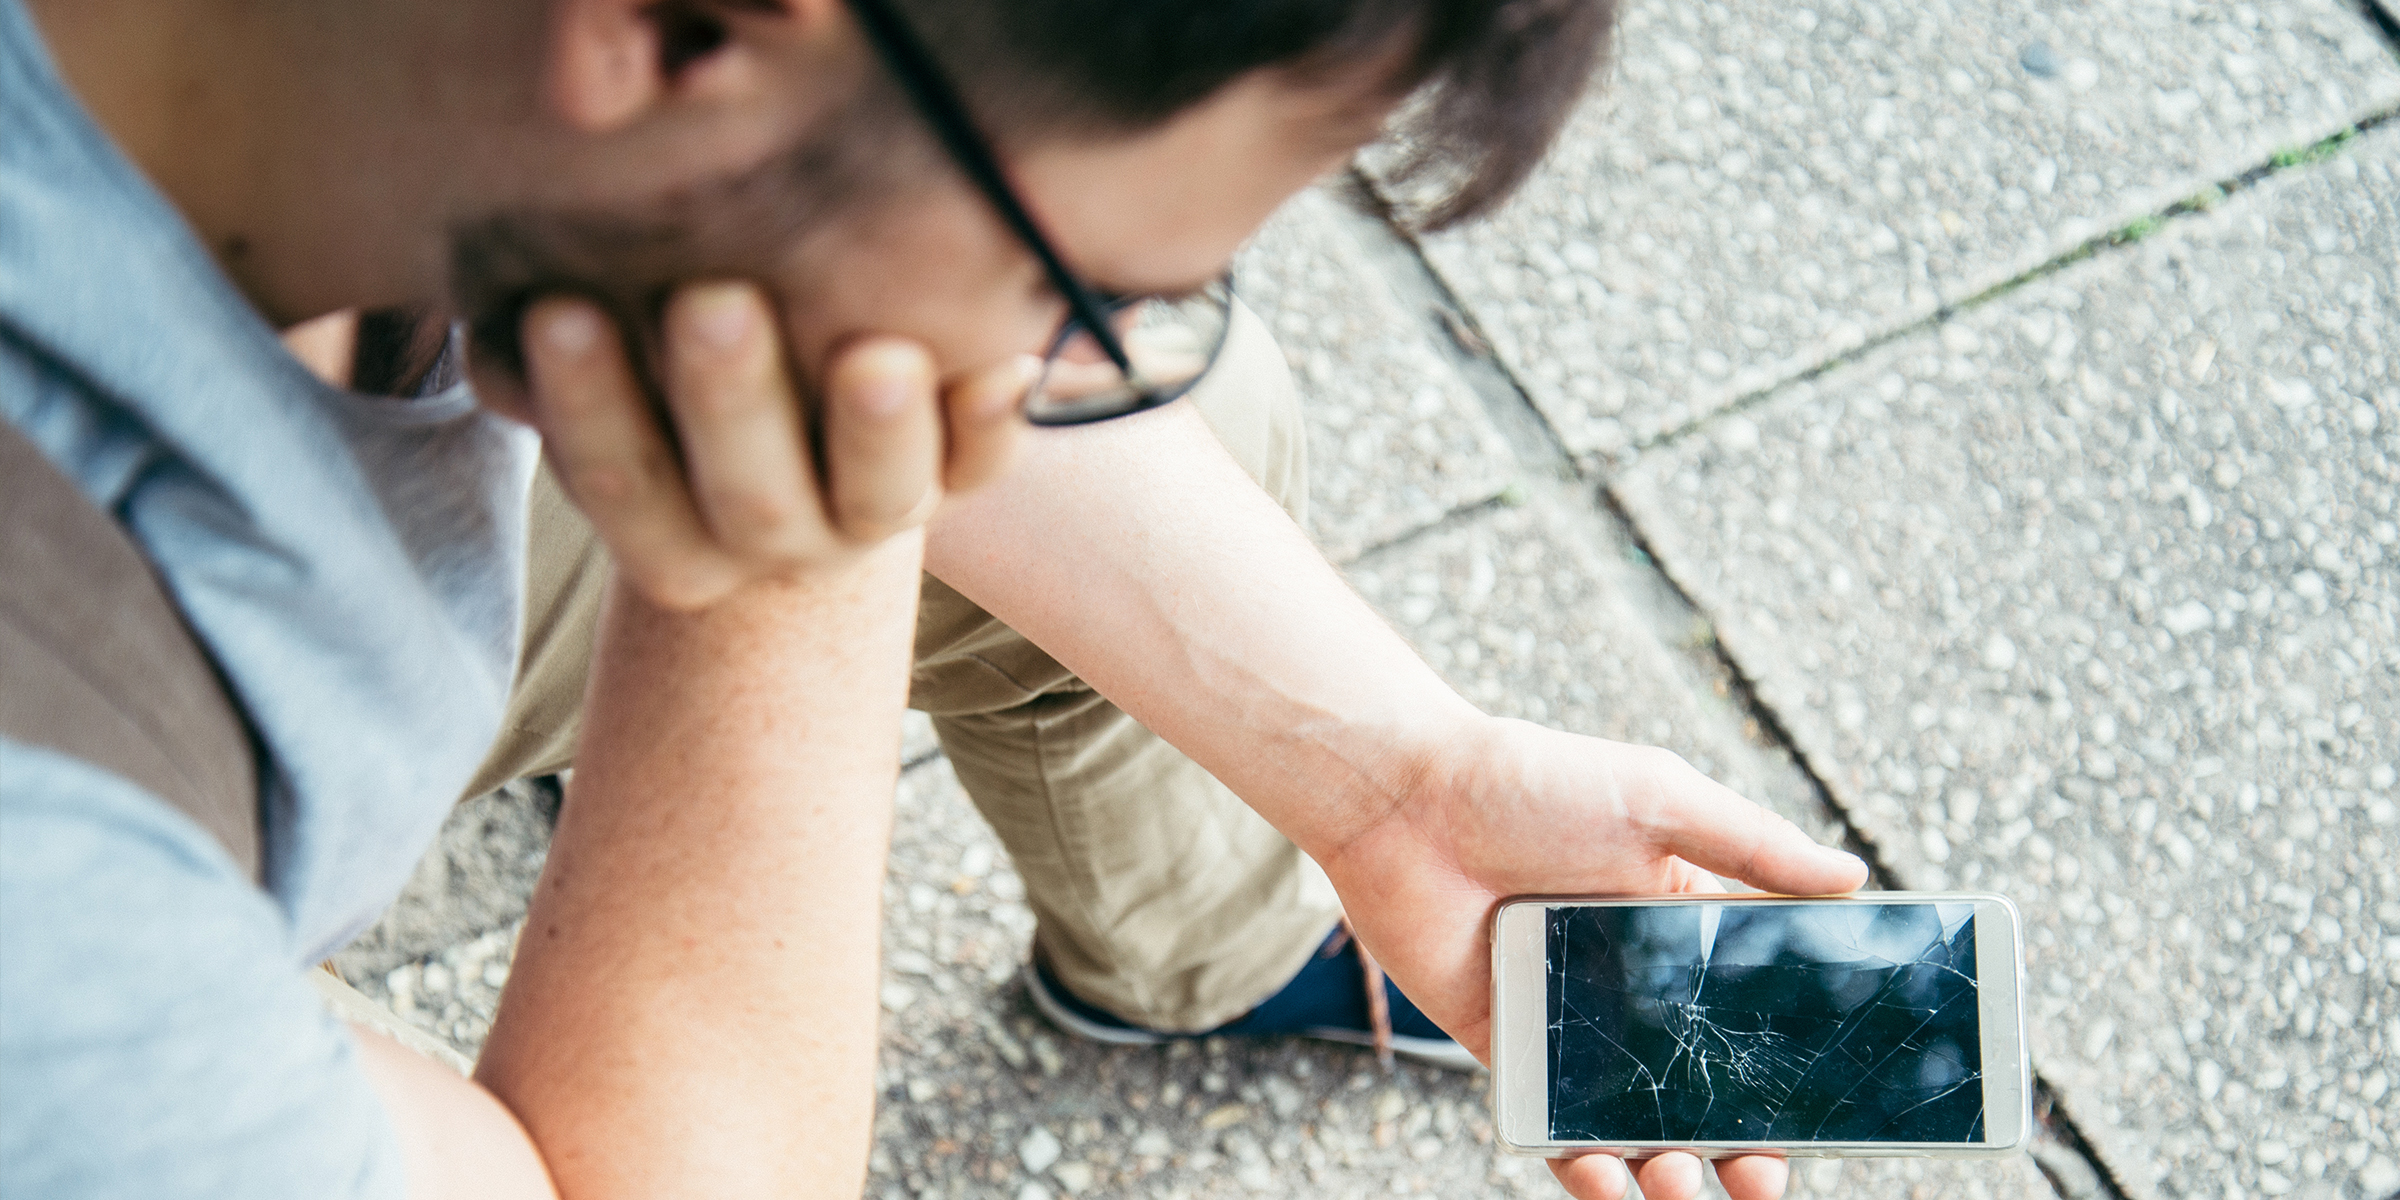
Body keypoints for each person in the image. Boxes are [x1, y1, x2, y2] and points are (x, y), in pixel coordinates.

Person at [0, 4, 1864, 1200]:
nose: (1065, 362)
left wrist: (1394, 777)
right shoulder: (57, 909)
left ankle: (1187, 958)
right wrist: (773, 551)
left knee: (1200, 434)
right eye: (1073, 285)